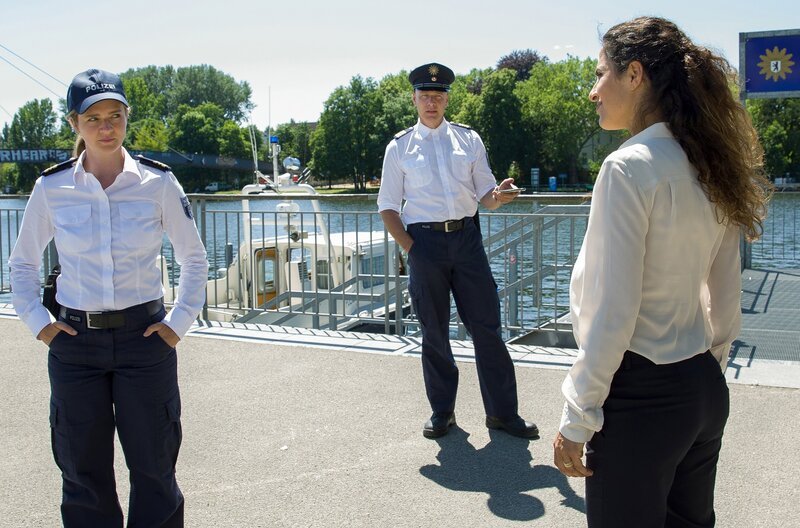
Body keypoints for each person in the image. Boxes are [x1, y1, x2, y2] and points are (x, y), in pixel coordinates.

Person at [551, 17, 772, 527]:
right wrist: (705, 371)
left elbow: (613, 310)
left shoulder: (628, 166)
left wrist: (578, 417)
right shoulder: (708, 163)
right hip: (701, 387)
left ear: (634, 74)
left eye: (600, 73)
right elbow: (725, 296)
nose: (593, 91)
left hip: (640, 397)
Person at [9, 69, 208, 527]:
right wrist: (41, 325)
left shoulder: (158, 183)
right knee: (82, 472)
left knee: (155, 469)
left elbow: (194, 259)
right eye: (93, 118)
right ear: (74, 123)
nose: (106, 128)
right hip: (75, 344)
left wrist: (177, 324)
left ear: (127, 117)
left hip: (145, 341)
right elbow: (21, 265)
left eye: (115, 116)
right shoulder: (52, 188)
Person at [378, 62, 538, 440]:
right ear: (414, 99)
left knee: (487, 328)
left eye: (438, 96)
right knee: (434, 332)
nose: (431, 102)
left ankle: (502, 414)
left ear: (447, 99)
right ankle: (442, 412)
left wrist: (500, 196)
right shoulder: (399, 147)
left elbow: (486, 196)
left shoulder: (469, 140)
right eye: (425, 96)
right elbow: (387, 207)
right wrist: (413, 249)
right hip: (424, 244)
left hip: (467, 241)